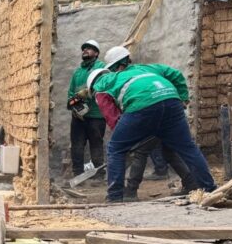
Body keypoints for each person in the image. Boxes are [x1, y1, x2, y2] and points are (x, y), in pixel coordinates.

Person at [88, 46, 216, 203]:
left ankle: (115, 197)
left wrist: (124, 137)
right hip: (171, 101)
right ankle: (209, 189)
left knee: (115, 149)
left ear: (114, 67)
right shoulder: (149, 68)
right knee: (188, 147)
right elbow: (175, 74)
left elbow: (111, 116)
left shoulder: (105, 81)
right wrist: (183, 98)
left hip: (142, 106)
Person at [66, 40, 106, 179]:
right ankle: (77, 174)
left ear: (96, 53)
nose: (85, 50)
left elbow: (103, 85)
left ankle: (99, 174)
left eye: (89, 49)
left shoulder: (101, 67)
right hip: (78, 116)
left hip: (96, 115)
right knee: (76, 146)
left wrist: (88, 92)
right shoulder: (77, 72)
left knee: (96, 144)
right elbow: (71, 92)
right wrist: (75, 105)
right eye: (84, 49)